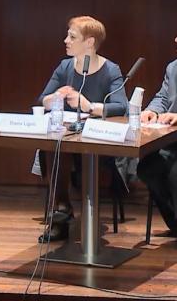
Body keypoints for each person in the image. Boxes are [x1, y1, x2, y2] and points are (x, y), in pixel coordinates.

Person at [37, 16, 127, 242]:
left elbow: (121, 106)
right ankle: (62, 209)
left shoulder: (110, 70)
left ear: (89, 42)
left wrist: (89, 106)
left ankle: (76, 213)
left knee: (66, 148)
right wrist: (55, 98)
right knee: (57, 145)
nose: (65, 40)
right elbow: (43, 100)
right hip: (69, 137)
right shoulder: (65, 66)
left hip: (100, 141)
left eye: (72, 36)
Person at [137, 37, 177, 236]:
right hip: (170, 140)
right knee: (147, 167)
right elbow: (162, 97)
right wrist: (152, 111)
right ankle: (175, 224)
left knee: (175, 172)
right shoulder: (173, 68)